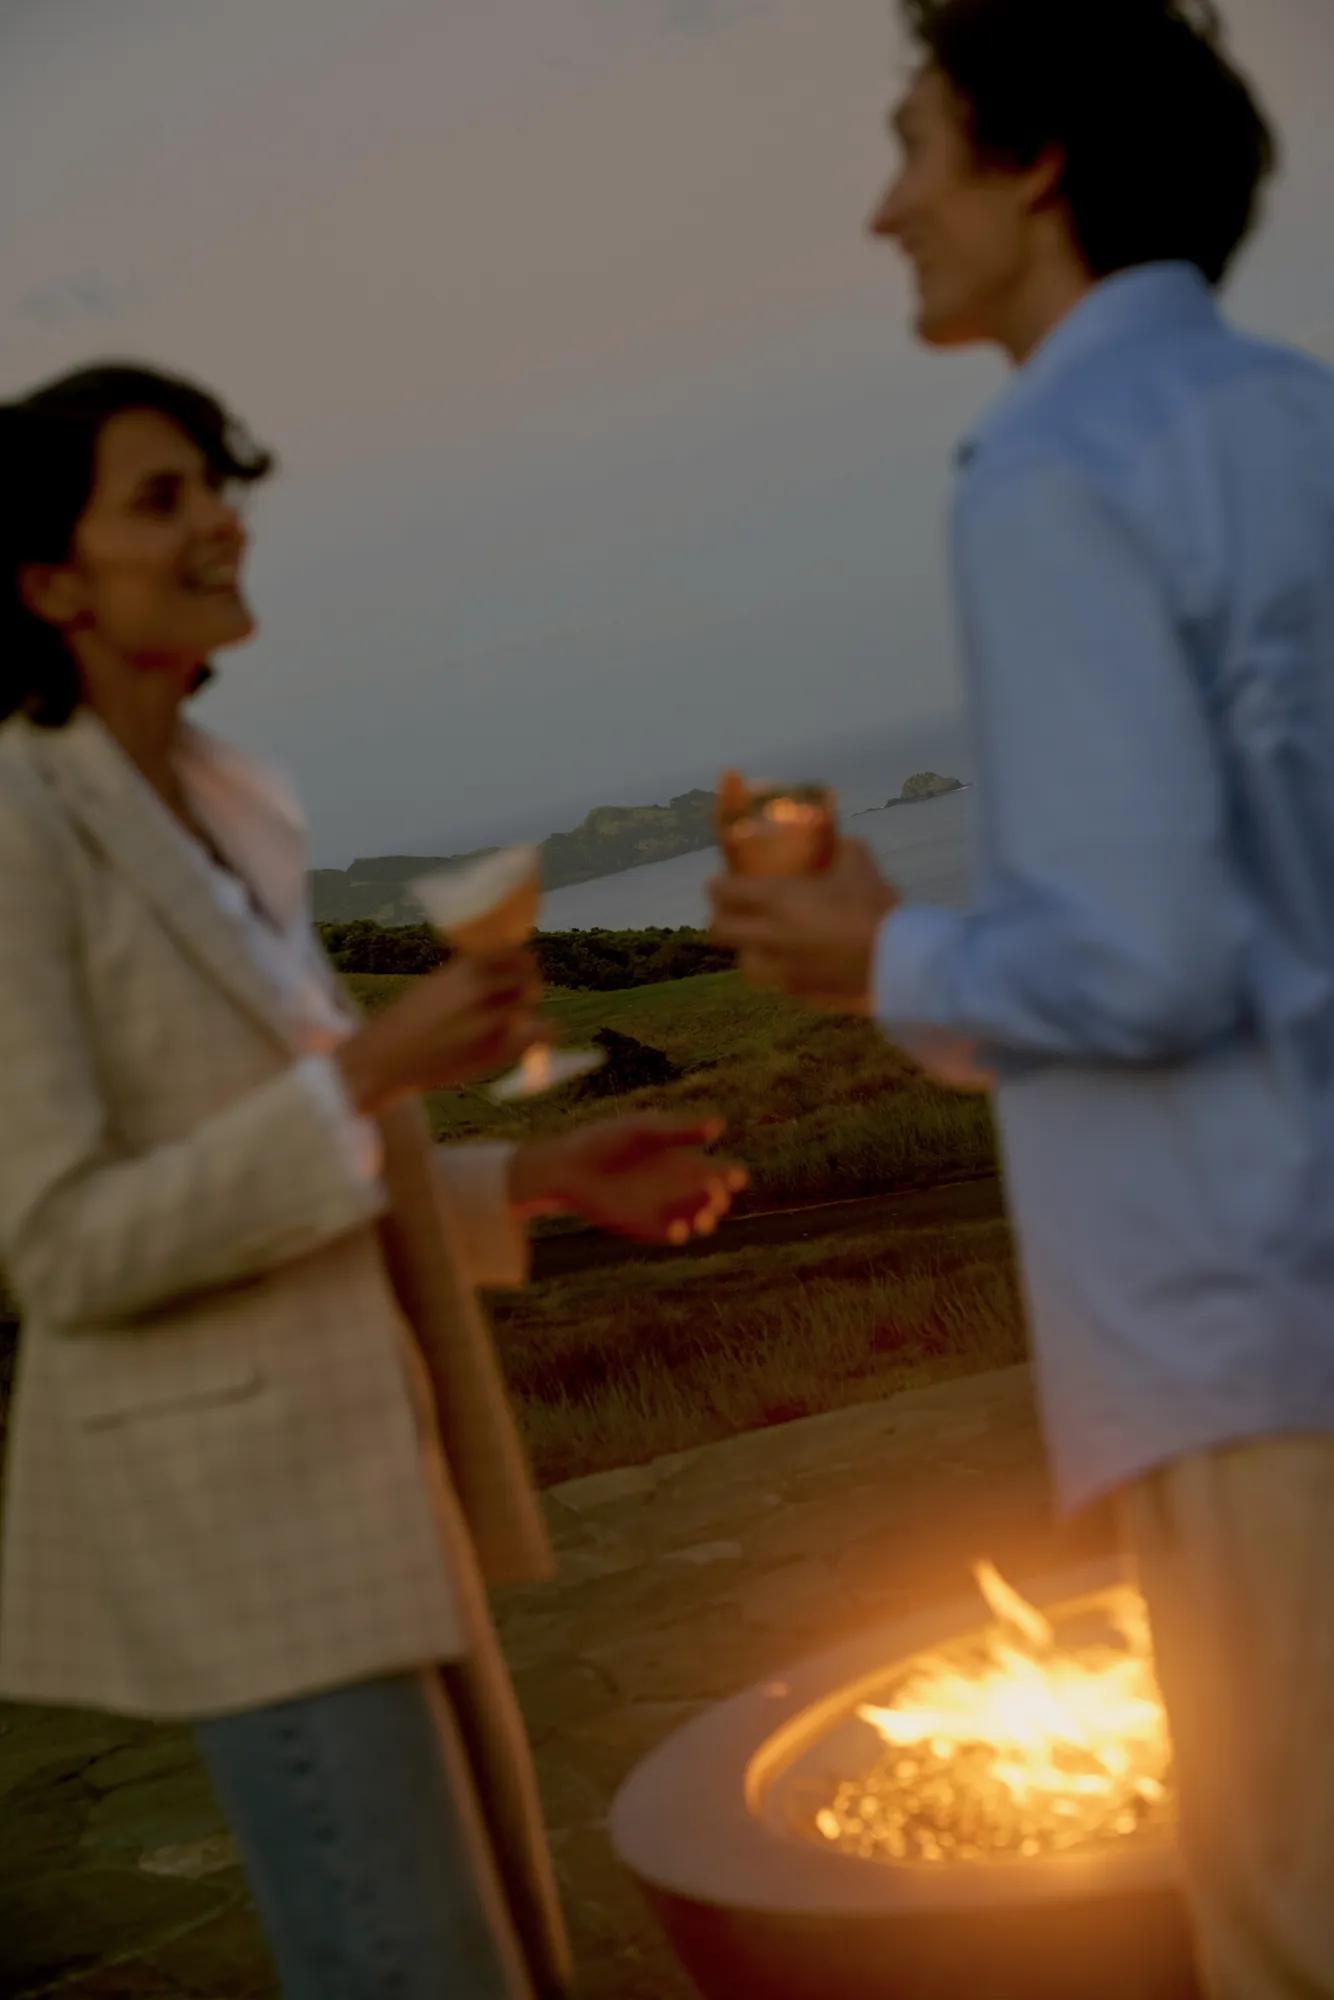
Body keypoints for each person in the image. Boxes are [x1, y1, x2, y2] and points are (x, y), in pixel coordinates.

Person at [710, 3, 1334, 1992]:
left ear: (1034, 161)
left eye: (913, 142)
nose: (885, 206)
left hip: (1248, 1340)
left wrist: (874, 952)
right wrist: (922, 967)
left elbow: (1142, 965)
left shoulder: (1051, 468)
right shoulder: (1297, 421)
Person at [0, 362, 745, 2000]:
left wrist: (533, 1178)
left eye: (216, 486)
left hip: (377, 1477)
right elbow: (61, 1249)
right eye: (160, 499)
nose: (217, 523)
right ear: (47, 582)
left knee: (501, 1958)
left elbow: (307, 1156)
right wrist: (373, 1067)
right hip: (242, 1528)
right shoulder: (19, 834)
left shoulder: (227, 797)